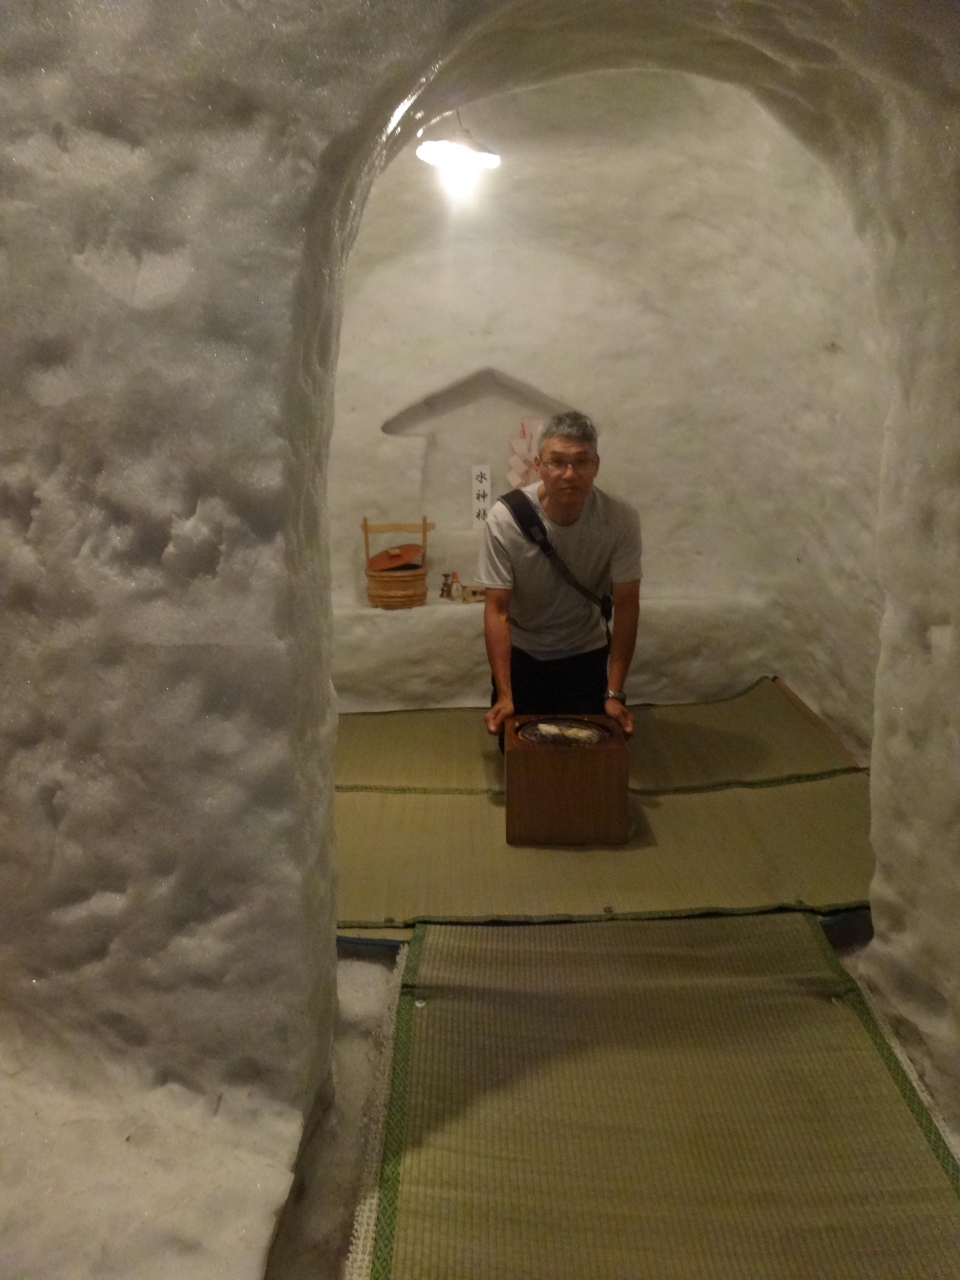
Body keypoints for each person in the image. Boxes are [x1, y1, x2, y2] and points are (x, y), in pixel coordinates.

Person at [476, 410, 641, 739]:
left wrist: (614, 693)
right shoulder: (504, 520)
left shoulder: (620, 518)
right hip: (524, 653)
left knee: (589, 749)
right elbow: (497, 609)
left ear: (596, 465)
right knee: (520, 752)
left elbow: (626, 605)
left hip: (585, 652)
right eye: (557, 462)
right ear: (539, 465)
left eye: (582, 462)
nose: (570, 474)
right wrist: (506, 694)